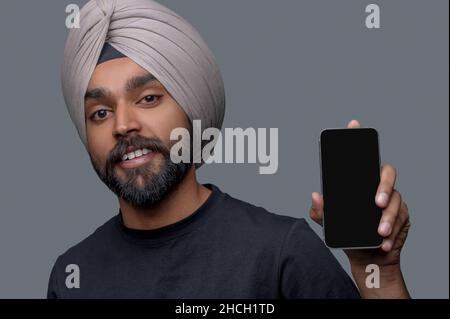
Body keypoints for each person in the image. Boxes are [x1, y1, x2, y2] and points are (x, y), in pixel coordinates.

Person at [48, 0, 411, 298]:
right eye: (100, 112)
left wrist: (380, 273)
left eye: (148, 98)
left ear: (194, 112)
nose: (122, 124)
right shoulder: (72, 276)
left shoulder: (281, 254)